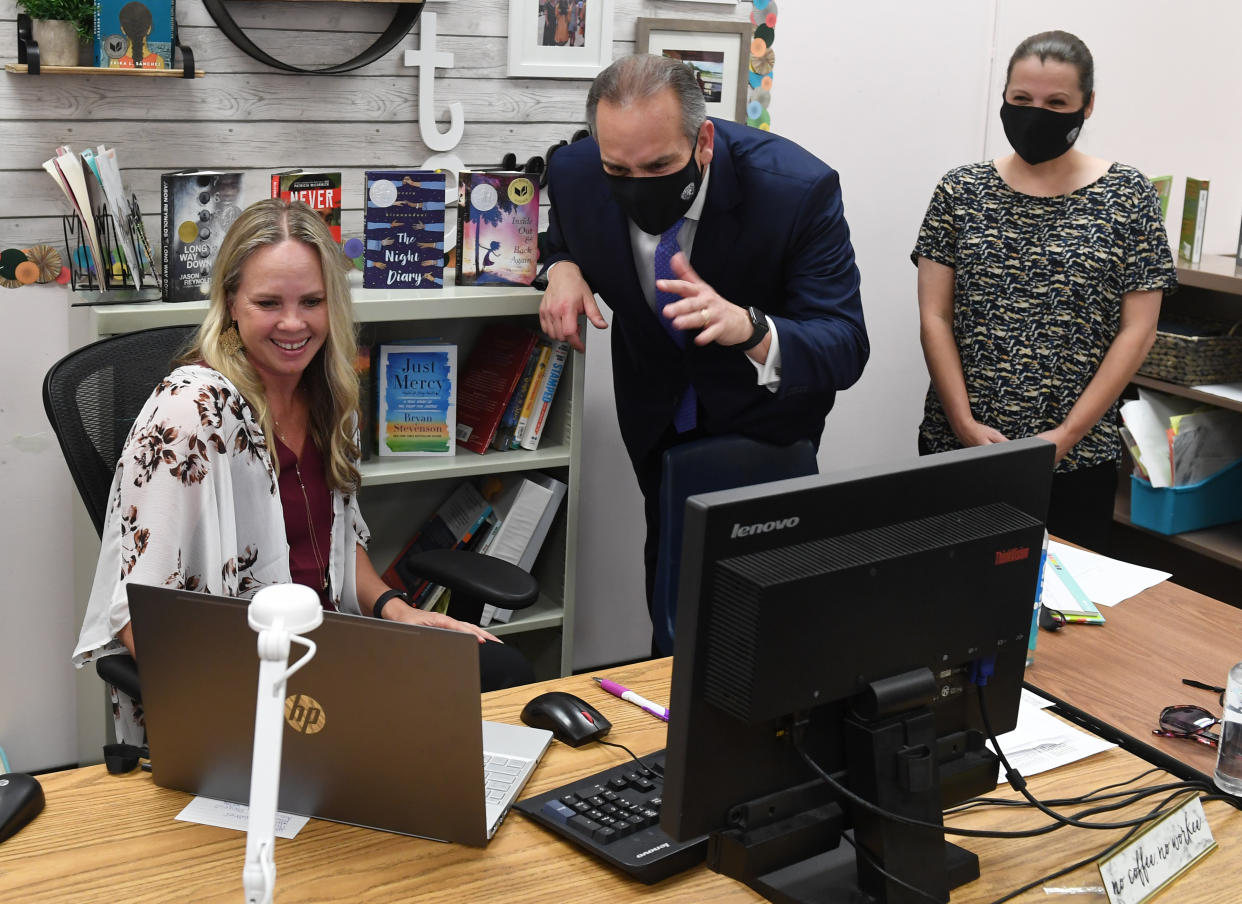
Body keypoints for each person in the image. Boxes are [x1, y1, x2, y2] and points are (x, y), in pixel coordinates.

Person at [74, 199, 532, 742]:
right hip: (245, 679)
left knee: (499, 671)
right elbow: (137, 616)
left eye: (312, 301)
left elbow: (335, 543)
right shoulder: (191, 412)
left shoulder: (327, 392)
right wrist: (252, 708)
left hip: (328, 650)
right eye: (269, 302)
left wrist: (398, 612)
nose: (294, 324)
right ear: (231, 303)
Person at [539, 54, 868, 640]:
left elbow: (845, 345)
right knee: (671, 602)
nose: (637, 186)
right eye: (620, 170)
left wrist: (751, 327)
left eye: (660, 165)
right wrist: (560, 264)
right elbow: (565, 230)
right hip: (656, 422)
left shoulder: (796, 191)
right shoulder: (576, 172)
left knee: (760, 624)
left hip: (764, 429)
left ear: (705, 141)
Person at [912, 30, 1177, 554]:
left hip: (1075, 458)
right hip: (956, 445)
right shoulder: (959, 190)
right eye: (1022, 100)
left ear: (1088, 105)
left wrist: (1067, 435)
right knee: (943, 602)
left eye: (1057, 102)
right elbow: (934, 317)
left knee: (1064, 616)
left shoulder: (1129, 195)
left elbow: (1138, 329)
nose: (1037, 114)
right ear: (1004, 98)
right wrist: (964, 424)